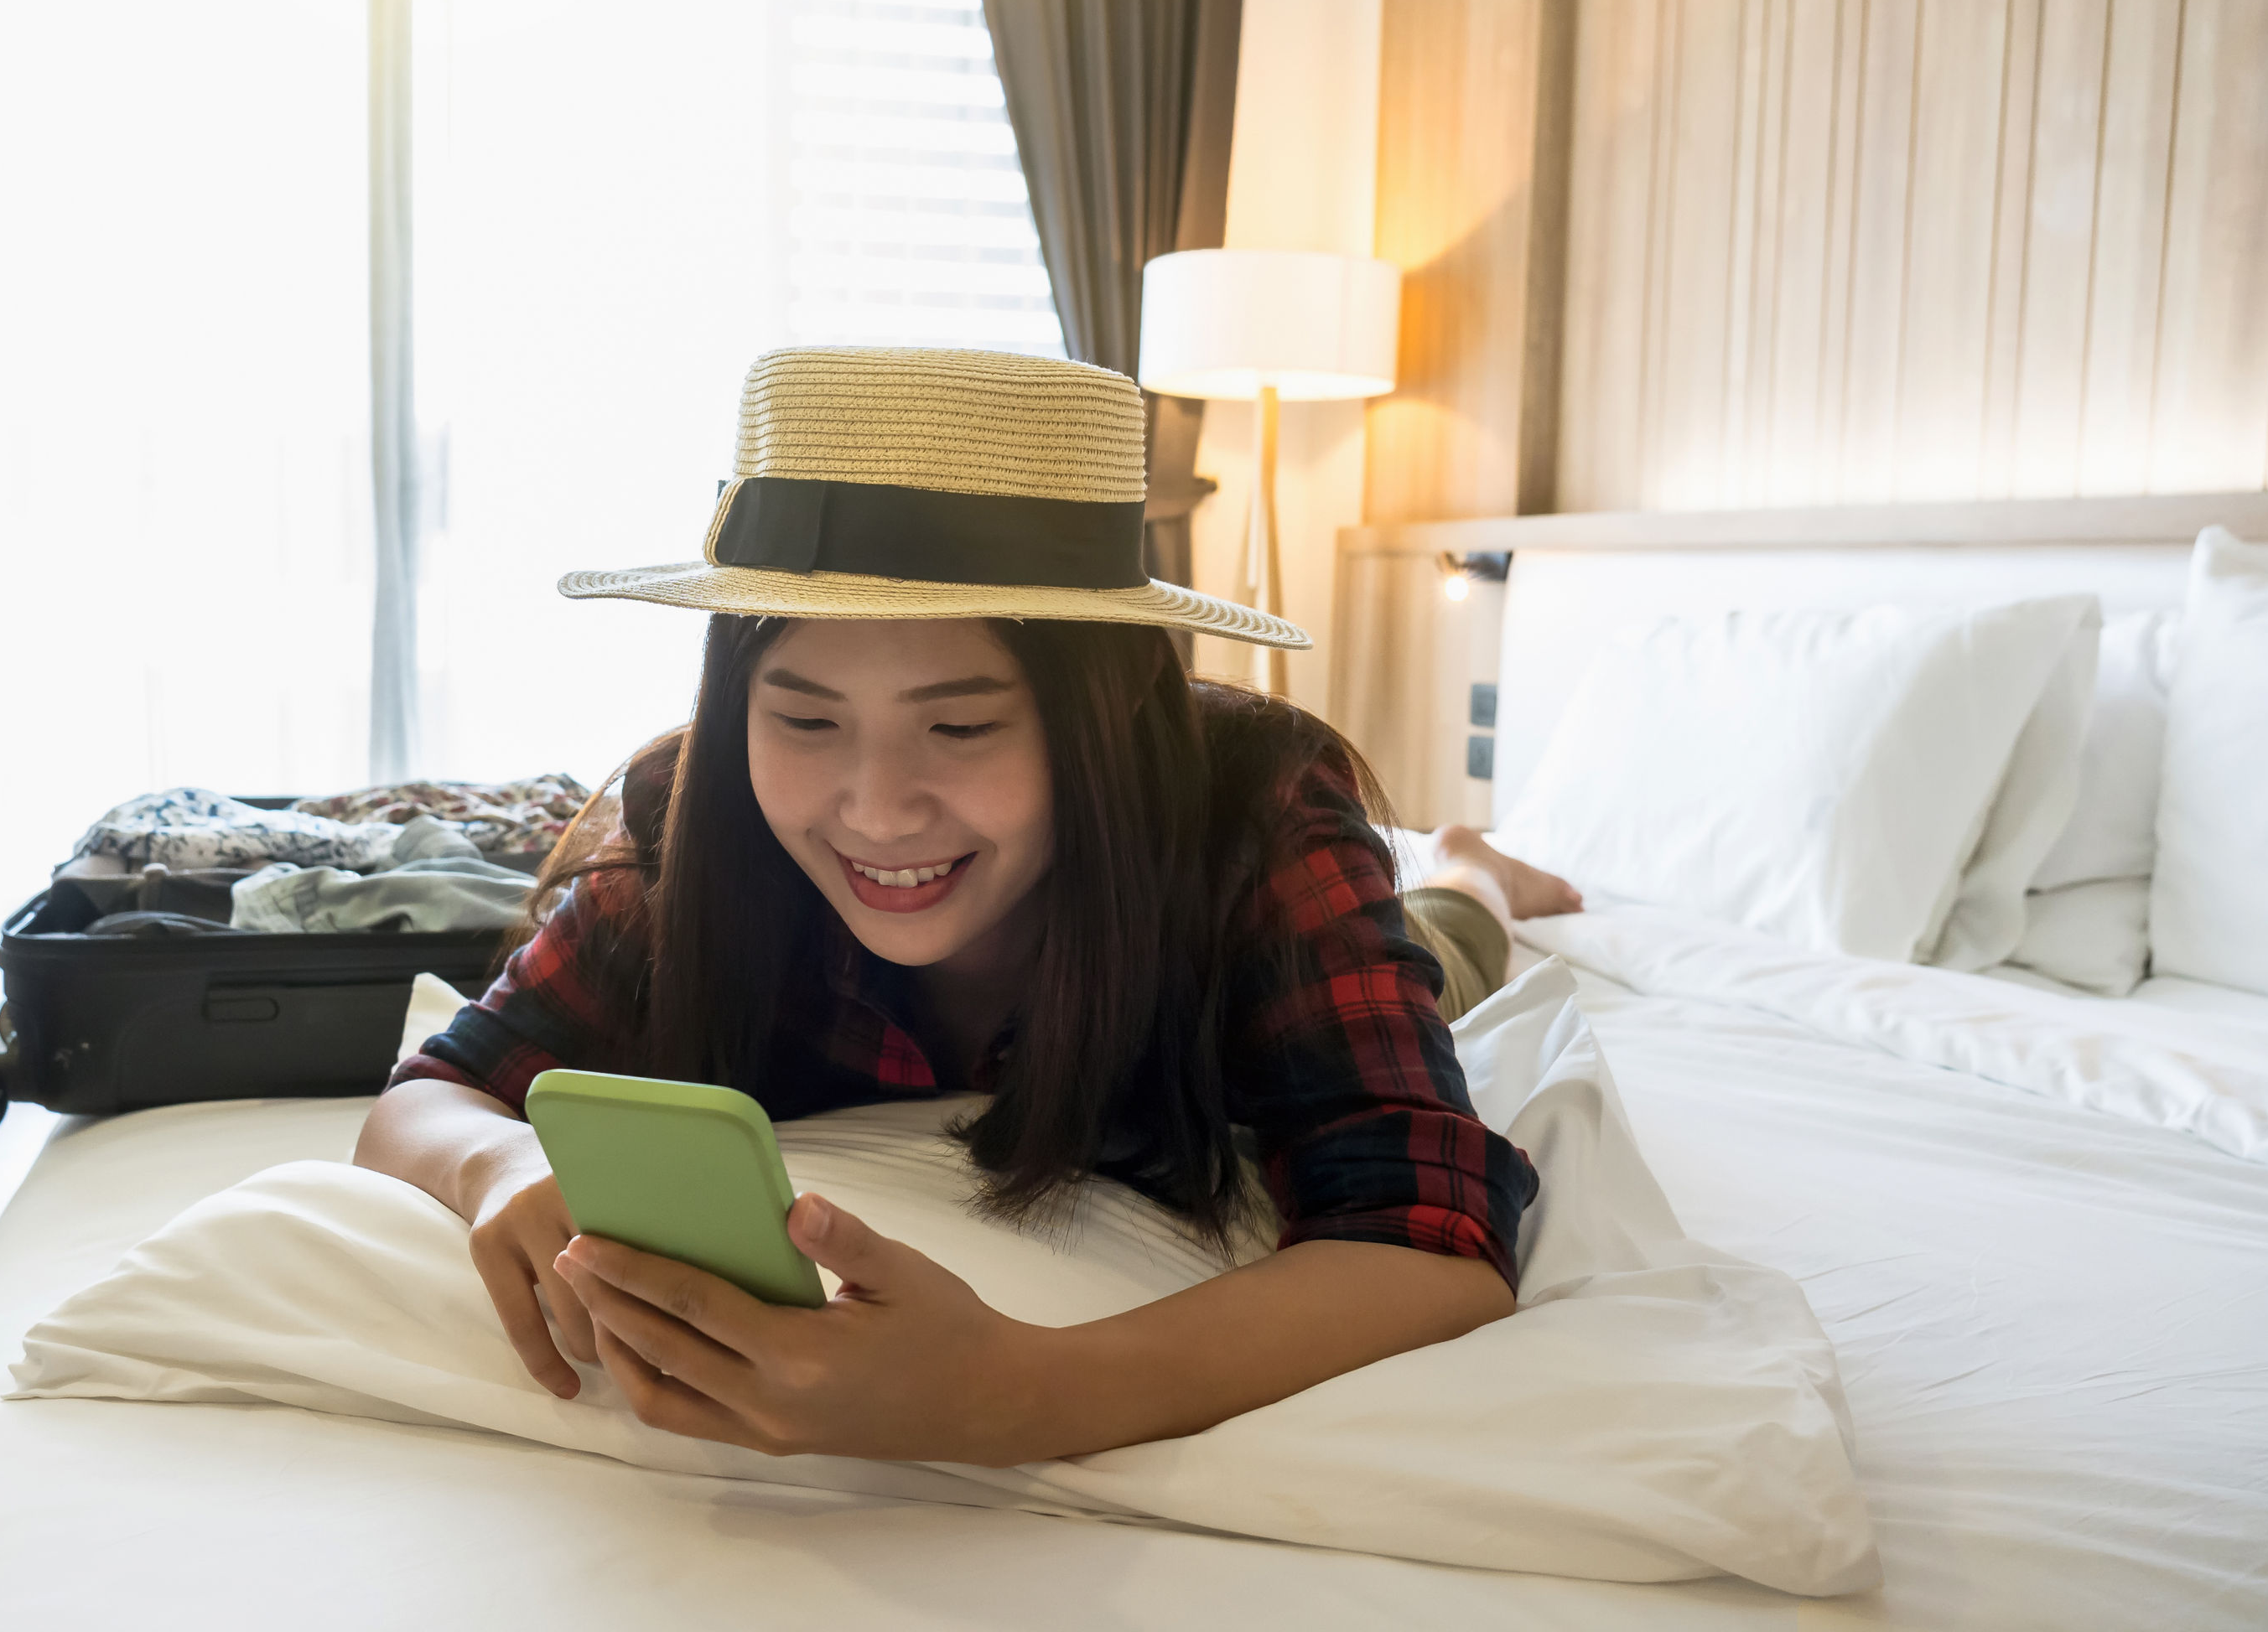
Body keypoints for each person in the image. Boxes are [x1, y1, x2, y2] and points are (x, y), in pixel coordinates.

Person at [353, 347, 1583, 1468]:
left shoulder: (1254, 816)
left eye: (961, 726)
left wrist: (1020, 1390)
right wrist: (502, 1163)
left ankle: (1470, 870)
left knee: (1451, 947)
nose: (878, 812)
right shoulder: (706, 828)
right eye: (805, 719)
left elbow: (1433, 1240)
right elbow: (433, 1094)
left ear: (1103, 724)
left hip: (1346, 947)